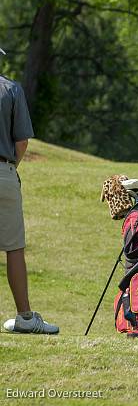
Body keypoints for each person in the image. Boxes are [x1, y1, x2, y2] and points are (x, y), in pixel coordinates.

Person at [0, 61, 59, 334]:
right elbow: (22, 142)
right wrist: (11, 169)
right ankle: (24, 316)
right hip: (4, 172)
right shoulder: (11, 89)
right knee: (14, 247)